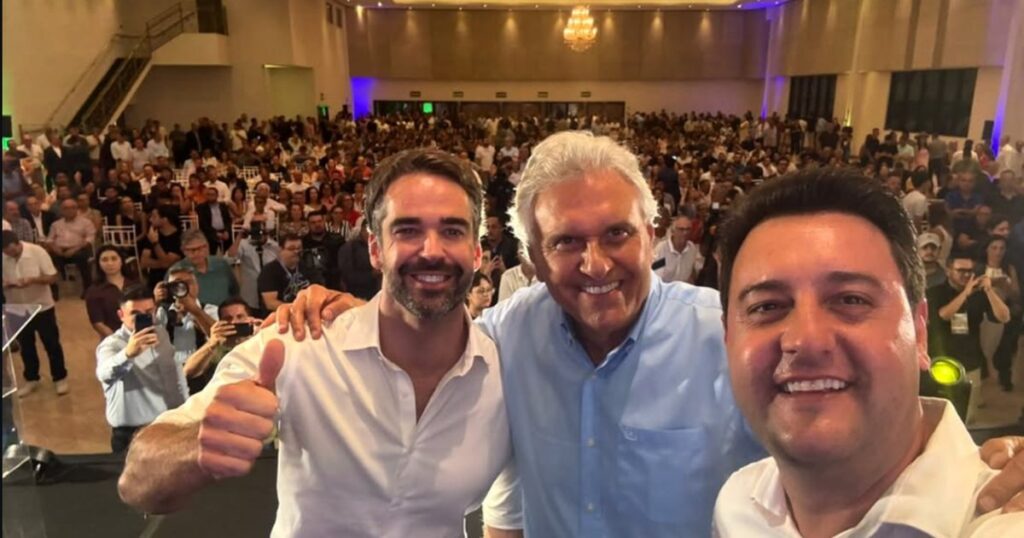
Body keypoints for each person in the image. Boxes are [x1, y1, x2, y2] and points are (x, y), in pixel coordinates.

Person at [272, 134, 1024, 531]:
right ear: (531, 260)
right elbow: (503, 491)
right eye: (566, 243)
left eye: (617, 235)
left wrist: (978, 469)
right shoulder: (502, 339)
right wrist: (340, 309)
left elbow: (853, 433)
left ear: (653, 233)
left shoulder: (736, 336)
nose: (596, 265)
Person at [118, 148, 512, 538]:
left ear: (477, 251)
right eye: (407, 230)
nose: (431, 251)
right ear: (375, 249)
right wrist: (200, 444)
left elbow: (510, 511)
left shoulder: (505, 373)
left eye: (453, 231)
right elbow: (138, 483)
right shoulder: (298, 344)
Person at [712, 169, 1024, 536]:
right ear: (728, 339)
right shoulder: (738, 506)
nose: (806, 339)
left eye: (851, 299)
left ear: (919, 331)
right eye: (766, 306)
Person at [96, 286, 188, 452]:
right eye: (135, 313)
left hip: (168, 425)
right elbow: (104, 374)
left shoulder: (161, 334)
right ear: (121, 315)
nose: (143, 317)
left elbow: (174, 371)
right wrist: (128, 354)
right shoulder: (112, 345)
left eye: (148, 312)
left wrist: (184, 406)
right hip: (131, 434)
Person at [927, 254, 1010, 423]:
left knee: (968, 414)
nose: (966, 275)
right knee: (939, 412)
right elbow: (943, 315)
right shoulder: (935, 292)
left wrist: (989, 291)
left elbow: (1004, 317)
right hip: (941, 359)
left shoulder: (979, 295)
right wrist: (965, 293)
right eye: (960, 270)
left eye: (969, 271)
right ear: (949, 271)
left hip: (970, 360)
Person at [2, 230, 69, 397]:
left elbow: (52, 277)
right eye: (6, 252)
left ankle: (60, 377)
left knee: (51, 343)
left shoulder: (37, 251)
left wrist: (33, 280)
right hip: (17, 307)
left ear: (17, 243)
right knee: (26, 346)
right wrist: (7, 283)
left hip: (42, 306)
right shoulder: (3, 257)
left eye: (12, 250)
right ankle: (31, 378)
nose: (9, 254)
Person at [182, 297, 258, 393]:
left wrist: (264, 332)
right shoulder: (216, 348)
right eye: (228, 318)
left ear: (250, 319)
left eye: (240, 317)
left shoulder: (259, 342)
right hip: (221, 397)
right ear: (220, 322)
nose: (234, 322)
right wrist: (211, 344)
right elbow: (188, 372)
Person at [156, 265, 218, 368]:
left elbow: (219, 336)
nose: (182, 287)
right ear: (169, 289)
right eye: (176, 284)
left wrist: (195, 311)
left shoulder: (210, 309)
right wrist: (154, 303)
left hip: (202, 367)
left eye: (188, 282)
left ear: (197, 285)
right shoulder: (163, 311)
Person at [170, 229, 238, 307]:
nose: (196, 253)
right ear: (183, 250)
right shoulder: (176, 272)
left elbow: (235, 292)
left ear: (207, 247)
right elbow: (169, 304)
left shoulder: (221, 265)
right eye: (192, 250)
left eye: (200, 248)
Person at [44, 198, 97, 294]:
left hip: (79, 249)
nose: (69, 210)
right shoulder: (56, 224)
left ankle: (88, 290)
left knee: (83, 258)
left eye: (72, 207)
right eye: (66, 208)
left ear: (77, 209)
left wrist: (74, 249)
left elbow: (90, 238)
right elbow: (49, 240)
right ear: (62, 210)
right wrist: (55, 248)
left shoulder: (86, 222)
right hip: (59, 250)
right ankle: (53, 291)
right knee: (47, 259)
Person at [85, 245, 136, 338]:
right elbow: (98, 323)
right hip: (112, 338)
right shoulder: (94, 291)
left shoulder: (135, 285)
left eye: (114, 258)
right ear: (99, 264)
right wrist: (117, 340)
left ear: (121, 261)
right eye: (104, 260)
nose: (110, 263)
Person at [257, 233, 315, 312]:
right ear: (281, 249)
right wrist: (296, 309)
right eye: (291, 248)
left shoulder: (307, 267)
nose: (296, 251)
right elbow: (270, 303)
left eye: (299, 248)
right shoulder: (269, 271)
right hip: (279, 315)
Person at [335, 217, 379, 300]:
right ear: (362, 230)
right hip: (356, 295)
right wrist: (371, 274)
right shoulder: (349, 248)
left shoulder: (380, 247)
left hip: (379, 295)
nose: (373, 235)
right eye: (370, 231)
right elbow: (347, 276)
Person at [140, 205, 183, 289]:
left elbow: (167, 263)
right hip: (154, 280)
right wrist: (162, 263)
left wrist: (155, 243)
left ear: (165, 219)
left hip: (174, 280)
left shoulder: (180, 237)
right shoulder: (153, 234)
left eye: (154, 217)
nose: (150, 219)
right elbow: (143, 262)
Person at [652, 214, 701, 284]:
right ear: (673, 231)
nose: (685, 233)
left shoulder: (692, 249)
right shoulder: (662, 249)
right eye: (681, 229)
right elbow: (654, 276)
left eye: (688, 229)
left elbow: (693, 273)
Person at [196, 186, 232, 254]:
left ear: (217, 195)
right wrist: (216, 233)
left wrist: (227, 231)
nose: (210, 196)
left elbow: (228, 220)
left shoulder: (223, 206)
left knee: (229, 252)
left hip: (224, 231)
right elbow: (204, 224)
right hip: (210, 233)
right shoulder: (202, 207)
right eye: (208, 194)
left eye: (212, 194)